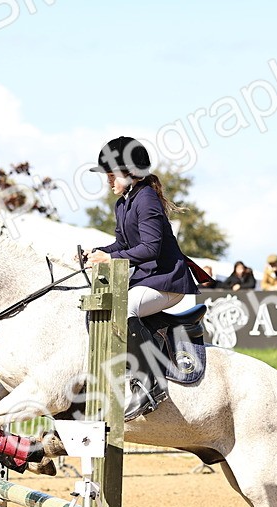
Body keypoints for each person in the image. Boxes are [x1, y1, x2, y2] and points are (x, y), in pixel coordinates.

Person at [85, 135, 197, 420]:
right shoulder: (123, 203)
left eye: (111, 174)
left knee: (124, 309)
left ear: (130, 172)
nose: (108, 181)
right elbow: (123, 245)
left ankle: (150, 386)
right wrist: (96, 252)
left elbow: (150, 248)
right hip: (148, 280)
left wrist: (111, 259)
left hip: (168, 281)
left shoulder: (145, 199)